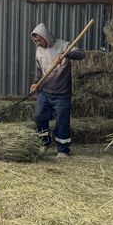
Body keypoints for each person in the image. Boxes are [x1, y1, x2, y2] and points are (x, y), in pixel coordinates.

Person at [29, 22, 85, 158]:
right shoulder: (39, 51)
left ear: (46, 36)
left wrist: (65, 54)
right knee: (39, 116)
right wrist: (35, 83)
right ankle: (44, 143)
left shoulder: (63, 45)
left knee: (62, 121)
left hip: (62, 94)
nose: (37, 42)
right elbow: (39, 70)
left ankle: (63, 150)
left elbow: (81, 54)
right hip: (45, 91)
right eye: (35, 40)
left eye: (39, 39)